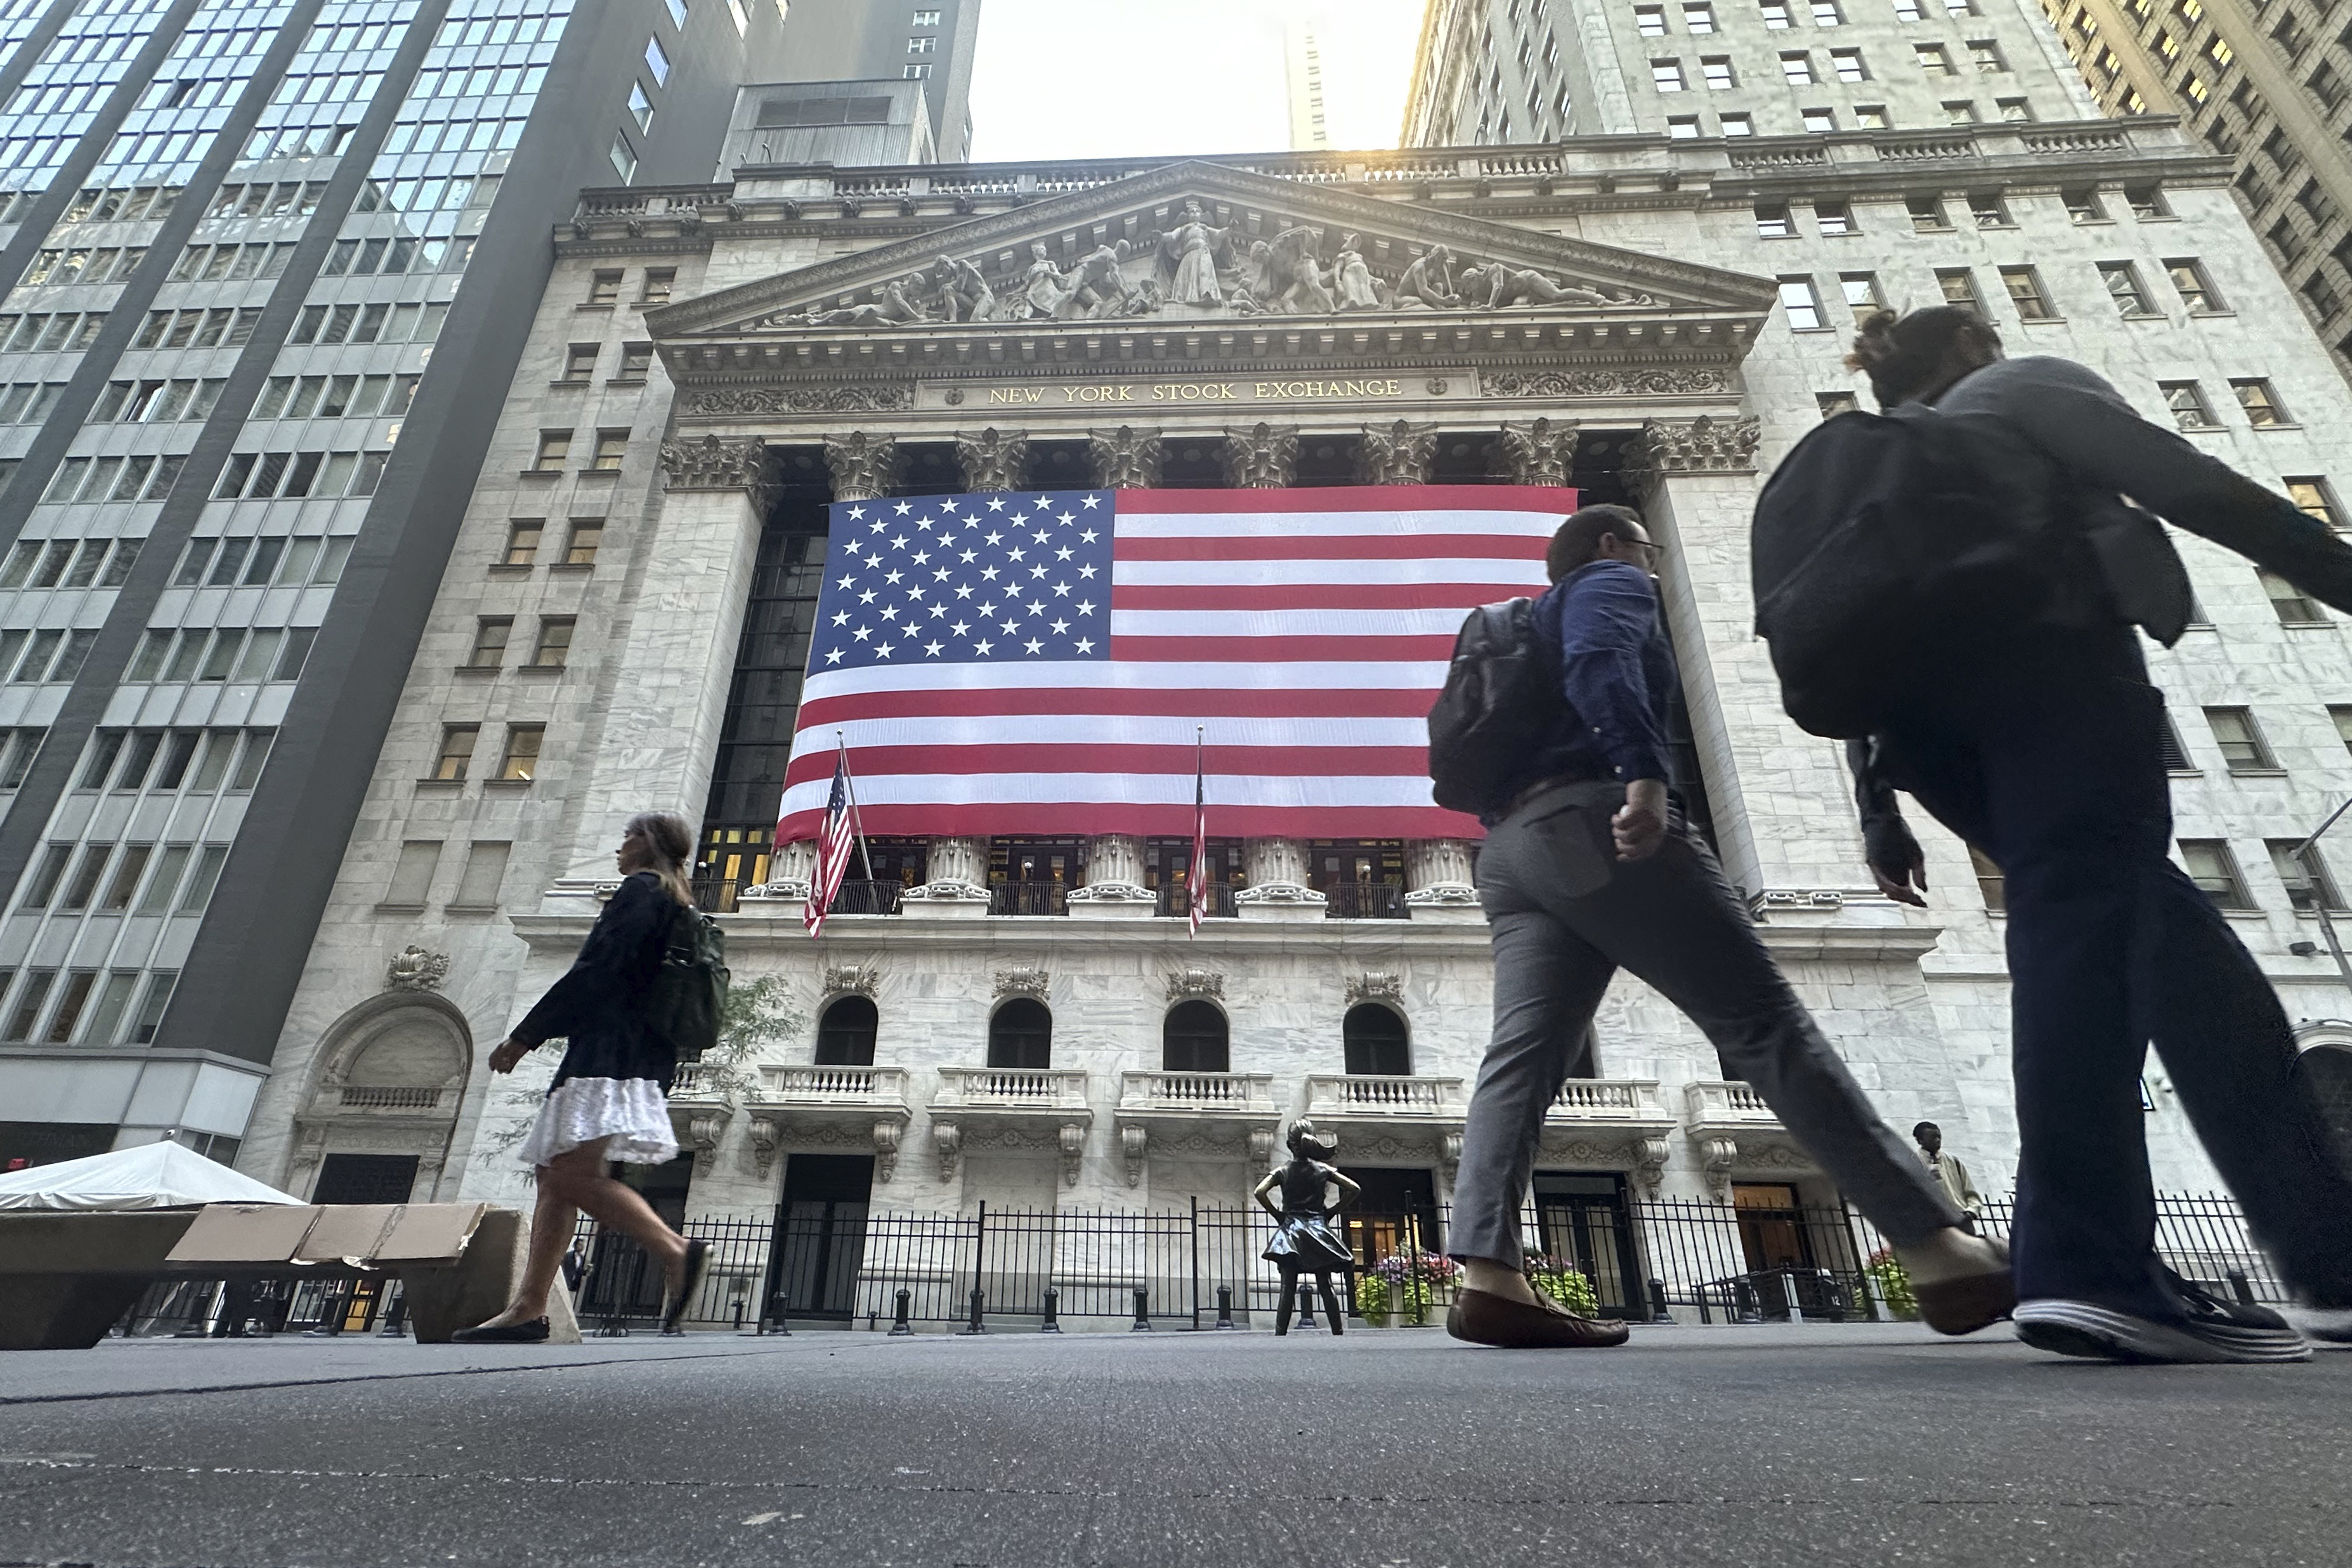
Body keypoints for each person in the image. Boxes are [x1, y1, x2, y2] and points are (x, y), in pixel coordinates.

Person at [1841, 306, 2352, 1362]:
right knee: (2078, 942)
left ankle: (2328, 1262)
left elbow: (1849, 637)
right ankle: (2085, 1265)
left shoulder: (1877, 464)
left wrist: (1876, 809)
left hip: (1930, 748)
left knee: (2197, 982)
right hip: (2054, 678)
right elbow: (2191, 487)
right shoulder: (2017, 388)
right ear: (1973, 346)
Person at [1447, 504, 2011, 1349]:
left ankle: (1489, 1279)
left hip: (1510, 853)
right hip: (1601, 823)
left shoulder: (1514, 625)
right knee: (1764, 1024)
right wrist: (1642, 777)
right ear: (1609, 546)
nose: (1657, 563)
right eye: (1650, 549)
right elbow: (1606, 662)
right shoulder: (1605, 584)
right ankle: (1939, 1249)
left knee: (1519, 1066)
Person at [452, 813, 712, 1343]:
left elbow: (596, 971)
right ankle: (528, 1306)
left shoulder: (643, 891)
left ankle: (674, 1250)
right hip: (625, 1050)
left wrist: (526, 1035)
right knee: (554, 1176)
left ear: (649, 844)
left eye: (628, 837)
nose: (620, 847)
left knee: (568, 1175)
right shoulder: (672, 898)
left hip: (613, 1052)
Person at [1251, 1121, 1362, 1336]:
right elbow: (1354, 1188)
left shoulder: (1282, 1170)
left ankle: (1280, 1331)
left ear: (1289, 1144)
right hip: (1318, 1230)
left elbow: (1259, 1192)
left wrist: (1277, 1215)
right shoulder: (1323, 1169)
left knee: (1288, 1287)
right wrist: (1332, 1211)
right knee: (1325, 1284)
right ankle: (1337, 1330)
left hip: (1291, 1232)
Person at [1912, 1121, 1982, 1217]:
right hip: (1932, 1221)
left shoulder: (1954, 1162)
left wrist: (1971, 1212)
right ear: (1920, 1141)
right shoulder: (1912, 1163)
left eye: (1939, 1137)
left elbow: (1971, 1193)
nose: (1937, 1140)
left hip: (1961, 1218)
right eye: (1933, 1137)